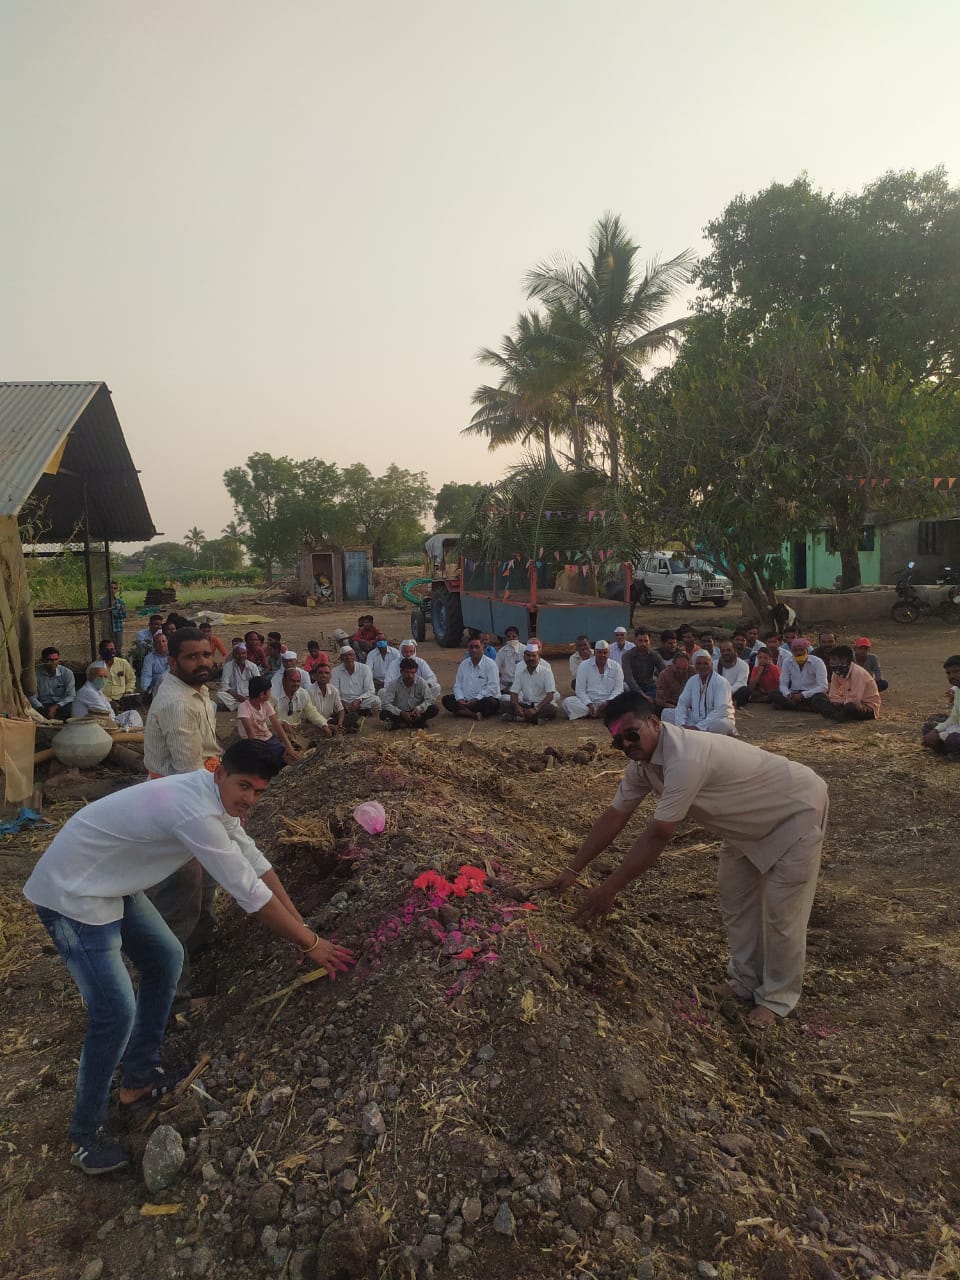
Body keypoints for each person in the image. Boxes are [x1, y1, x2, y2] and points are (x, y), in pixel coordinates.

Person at [23, 739, 354, 1174]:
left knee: (166, 958)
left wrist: (305, 927)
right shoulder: (194, 809)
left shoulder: (218, 801)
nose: (249, 799)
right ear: (219, 772)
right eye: (243, 787)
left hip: (112, 882)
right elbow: (247, 893)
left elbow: (256, 864)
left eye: (259, 791)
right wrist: (310, 945)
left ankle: (137, 1081)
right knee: (115, 1011)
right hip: (72, 891)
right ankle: (86, 1135)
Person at [537, 690, 829, 1027]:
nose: (628, 745)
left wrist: (609, 889)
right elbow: (615, 816)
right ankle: (744, 983)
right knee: (737, 904)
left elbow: (659, 833)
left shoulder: (685, 757)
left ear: (655, 724)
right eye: (619, 742)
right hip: (742, 827)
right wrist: (572, 870)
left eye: (632, 734)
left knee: (782, 915)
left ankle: (777, 1000)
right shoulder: (642, 765)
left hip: (794, 811)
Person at [665, 653, 736, 735]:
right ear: (695, 665)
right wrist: (681, 725)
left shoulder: (721, 682)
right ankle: (684, 734)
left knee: (719, 725)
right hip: (695, 720)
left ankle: (695, 735)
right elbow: (682, 703)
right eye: (699, 663)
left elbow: (721, 710)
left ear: (711, 664)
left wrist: (699, 727)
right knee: (666, 713)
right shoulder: (692, 680)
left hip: (716, 720)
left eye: (705, 663)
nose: (702, 666)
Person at [237, 675, 299, 764]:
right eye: (269, 690)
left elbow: (277, 725)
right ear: (262, 694)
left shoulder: (265, 704)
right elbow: (250, 732)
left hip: (268, 738)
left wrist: (289, 746)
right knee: (265, 760)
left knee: (287, 755)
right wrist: (257, 753)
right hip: (251, 741)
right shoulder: (243, 707)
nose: (271, 693)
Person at [563, 639, 624, 721]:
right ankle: (598, 712)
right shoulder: (584, 665)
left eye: (605, 652)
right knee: (567, 702)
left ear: (609, 653)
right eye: (599, 652)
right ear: (594, 652)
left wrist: (607, 702)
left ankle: (592, 713)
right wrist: (590, 704)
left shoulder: (616, 666)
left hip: (609, 702)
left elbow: (619, 689)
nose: (602, 655)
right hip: (589, 701)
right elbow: (580, 690)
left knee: (625, 703)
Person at [442, 638, 501, 719]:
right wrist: (460, 699)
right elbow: (457, 685)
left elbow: (492, 687)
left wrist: (476, 699)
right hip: (465, 700)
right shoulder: (464, 664)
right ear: (468, 649)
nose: (474, 650)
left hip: (481, 700)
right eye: (471, 647)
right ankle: (473, 714)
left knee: (491, 703)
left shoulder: (491, 664)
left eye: (477, 647)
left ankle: (462, 711)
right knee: (446, 699)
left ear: (483, 648)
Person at [769, 639, 830, 714]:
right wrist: (788, 694)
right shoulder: (787, 661)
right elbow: (783, 683)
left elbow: (824, 686)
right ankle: (805, 708)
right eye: (795, 650)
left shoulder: (817, 662)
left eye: (801, 649)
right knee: (774, 694)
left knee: (820, 697)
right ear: (792, 651)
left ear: (807, 650)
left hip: (810, 694)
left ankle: (793, 706)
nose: (798, 653)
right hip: (793, 694)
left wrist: (803, 695)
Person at [821, 645, 881, 721]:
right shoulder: (837, 672)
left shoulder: (857, 673)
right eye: (830, 659)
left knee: (850, 707)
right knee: (819, 698)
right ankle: (838, 715)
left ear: (843, 659)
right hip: (845, 702)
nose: (830, 662)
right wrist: (837, 702)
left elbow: (855, 699)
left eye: (833, 659)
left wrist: (839, 702)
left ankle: (837, 715)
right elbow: (833, 695)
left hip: (866, 706)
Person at [380, 658, 440, 730]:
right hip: (400, 713)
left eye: (412, 672)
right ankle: (416, 723)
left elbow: (429, 699)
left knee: (434, 708)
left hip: (416, 712)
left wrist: (419, 708)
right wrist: (401, 713)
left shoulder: (421, 682)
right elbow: (386, 704)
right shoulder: (394, 684)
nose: (410, 676)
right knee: (383, 714)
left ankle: (404, 724)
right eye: (407, 672)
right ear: (401, 671)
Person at [506, 644, 560, 724]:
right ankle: (536, 719)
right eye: (528, 655)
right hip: (525, 705)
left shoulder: (546, 672)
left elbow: (550, 695)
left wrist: (536, 709)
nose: (531, 658)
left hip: (540, 706)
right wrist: (517, 707)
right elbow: (514, 693)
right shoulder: (521, 673)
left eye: (534, 656)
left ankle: (520, 718)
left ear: (539, 658)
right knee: (505, 704)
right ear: (524, 657)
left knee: (552, 709)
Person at [331, 646, 382, 728]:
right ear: (341, 658)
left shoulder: (365, 668)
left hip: (360, 700)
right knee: (331, 701)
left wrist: (359, 700)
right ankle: (349, 718)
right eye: (345, 655)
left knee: (376, 700)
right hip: (343, 701)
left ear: (354, 656)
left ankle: (374, 719)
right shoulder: (335, 671)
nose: (348, 658)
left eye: (350, 655)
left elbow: (370, 690)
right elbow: (334, 691)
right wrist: (342, 702)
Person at [273, 669, 329, 742]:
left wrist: (323, 724)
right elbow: (267, 719)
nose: (296, 684)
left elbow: (311, 712)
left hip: (297, 729)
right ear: (284, 680)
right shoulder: (273, 694)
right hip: (278, 729)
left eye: (298, 681)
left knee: (322, 730)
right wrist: (282, 723)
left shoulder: (303, 693)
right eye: (292, 681)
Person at [921, 655, 960, 756]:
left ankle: (947, 749)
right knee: (928, 728)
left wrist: (941, 735)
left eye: (956, 671)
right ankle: (950, 750)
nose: (951, 676)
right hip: (957, 727)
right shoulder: (958, 690)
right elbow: (954, 718)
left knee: (953, 739)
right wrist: (935, 731)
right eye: (948, 673)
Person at [29, 647, 76, 720]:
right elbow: (32, 696)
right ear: (43, 660)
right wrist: (42, 709)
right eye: (49, 660)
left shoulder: (67, 673)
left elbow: (71, 695)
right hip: (43, 705)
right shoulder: (35, 674)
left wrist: (56, 706)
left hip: (61, 704)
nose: (53, 663)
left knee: (73, 708)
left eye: (56, 660)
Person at [216, 641, 261, 711]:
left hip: (249, 697)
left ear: (246, 654)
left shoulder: (253, 666)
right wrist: (238, 697)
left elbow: (259, 684)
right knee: (219, 695)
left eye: (243, 653)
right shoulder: (228, 666)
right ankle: (245, 705)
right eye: (238, 654)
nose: (241, 656)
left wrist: (249, 697)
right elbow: (224, 686)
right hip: (234, 696)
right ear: (234, 655)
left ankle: (239, 706)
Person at [621, 630, 665, 700]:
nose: (643, 644)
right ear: (635, 641)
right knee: (624, 687)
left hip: (650, 686)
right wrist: (642, 694)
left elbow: (665, 671)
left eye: (646, 641)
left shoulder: (654, 655)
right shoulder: (627, 656)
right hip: (633, 687)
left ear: (649, 642)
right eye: (640, 641)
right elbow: (628, 678)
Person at [308, 656, 346, 733]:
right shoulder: (309, 691)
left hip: (328, 721)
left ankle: (337, 728)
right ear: (315, 676)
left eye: (327, 673)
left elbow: (340, 710)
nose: (324, 675)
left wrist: (339, 724)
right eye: (320, 673)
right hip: (313, 723)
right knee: (312, 728)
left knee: (352, 716)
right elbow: (310, 717)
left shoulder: (333, 690)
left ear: (330, 676)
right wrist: (327, 725)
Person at [98, 640, 138, 710]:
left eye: (112, 649)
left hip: (123, 698)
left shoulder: (123, 663)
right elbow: (95, 690)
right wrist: (109, 701)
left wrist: (128, 690)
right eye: (107, 649)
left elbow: (131, 679)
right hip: (104, 700)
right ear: (101, 651)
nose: (110, 651)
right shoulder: (95, 667)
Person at [654, 649, 691, 717]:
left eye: (684, 669)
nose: (681, 672)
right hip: (671, 705)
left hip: (689, 705)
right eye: (678, 668)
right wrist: (675, 708)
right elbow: (659, 700)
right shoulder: (664, 675)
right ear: (673, 664)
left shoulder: (694, 673)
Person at [716, 640, 751, 709]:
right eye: (723, 651)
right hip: (718, 693)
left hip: (733, 694)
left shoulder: (743, 665)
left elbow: (741, 683)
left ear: (734, 650)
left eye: (729, 650)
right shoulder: (715, 664)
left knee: (745, 691)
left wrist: (727, 693)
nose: (726, 653)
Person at [97, 580, 127, 653]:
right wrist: (111, 609)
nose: (112, 590)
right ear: (106, 589)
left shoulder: (120, 602)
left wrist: (118, 610)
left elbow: (124, 615)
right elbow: (99, 616)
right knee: (106, 648)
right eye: (111, 588)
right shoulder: (102, 602)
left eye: (115, 588)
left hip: (117, 628)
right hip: (106, 629)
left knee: (118, 647)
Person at [140, 633, 170, 698]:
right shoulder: (149, 658)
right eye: (158, 642)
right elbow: (146, 676)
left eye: (163, 641)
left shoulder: (173, 655)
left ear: (167, 642)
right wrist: (146, 690)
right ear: (154, 645)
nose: (161, 644)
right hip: (158, 690)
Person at [497, 626, 524, 697]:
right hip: (506, 686)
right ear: (505, 638)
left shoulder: (525, 650)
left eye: (514, 636)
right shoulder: (502, 652)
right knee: (505, 698)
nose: (511, 638)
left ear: (518, 637)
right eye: (508, 637)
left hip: (522, 685)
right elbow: (495, 668)